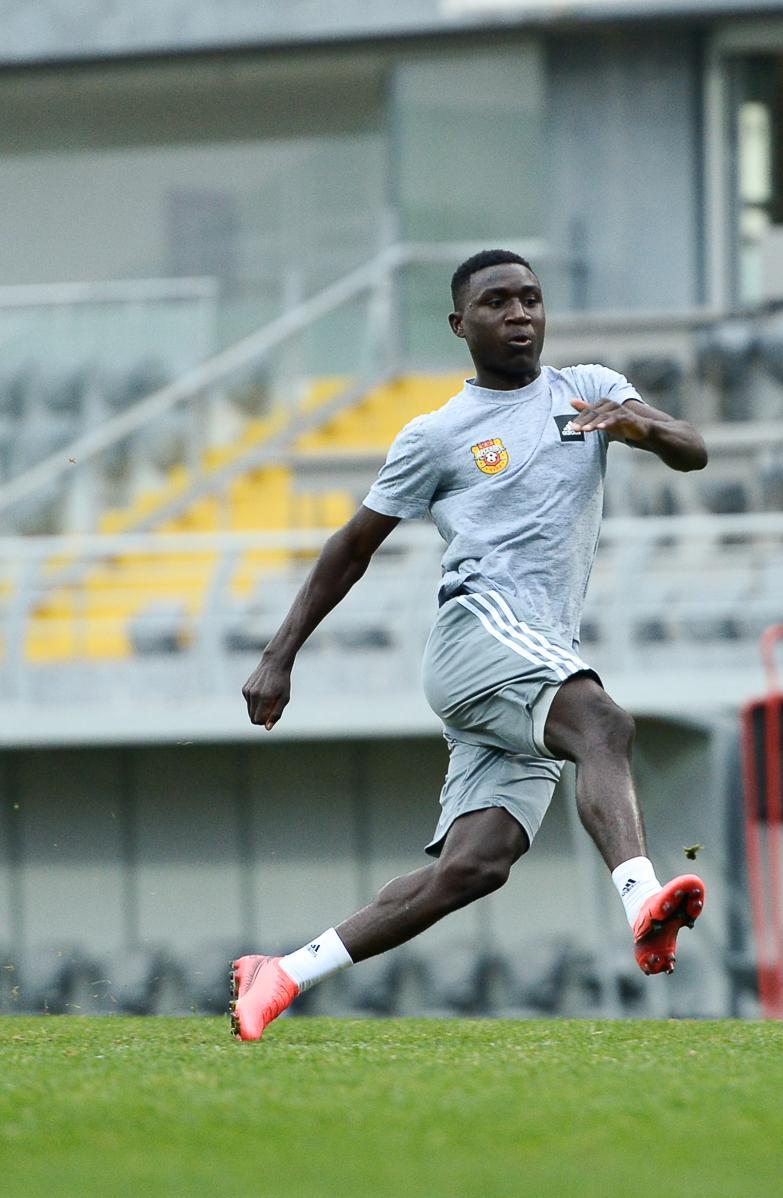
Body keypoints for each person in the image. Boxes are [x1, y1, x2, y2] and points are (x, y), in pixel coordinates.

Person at [229, 249, 710, 1041]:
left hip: (532, 657)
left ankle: (281, 974)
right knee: (603, 725)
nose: (519, 313)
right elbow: (352, 547)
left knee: (473, 867)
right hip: (479, 633)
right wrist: (279, 656)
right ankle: (641, 903)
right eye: (497, 302)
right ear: (460, 325)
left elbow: (692, 449)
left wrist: (643, 426)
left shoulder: (588, 389)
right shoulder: (437, 435)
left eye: (531, 298)